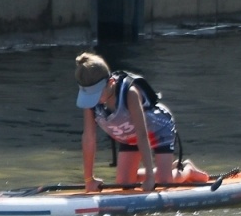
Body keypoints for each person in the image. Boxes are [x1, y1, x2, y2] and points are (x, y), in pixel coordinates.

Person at [75, 52, 212, 193]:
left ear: (111, 83)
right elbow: (89, 138)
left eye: (96, 94)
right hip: (128, 136)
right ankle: (168, 168)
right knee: (124, 183)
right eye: (88, 96)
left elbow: (142, 134)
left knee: (164, 183)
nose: (93, 100)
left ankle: (186, 169)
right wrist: (89, 180)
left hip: (158, 130)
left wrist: (150, 177)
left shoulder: (130, 93)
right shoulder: (90, 101)